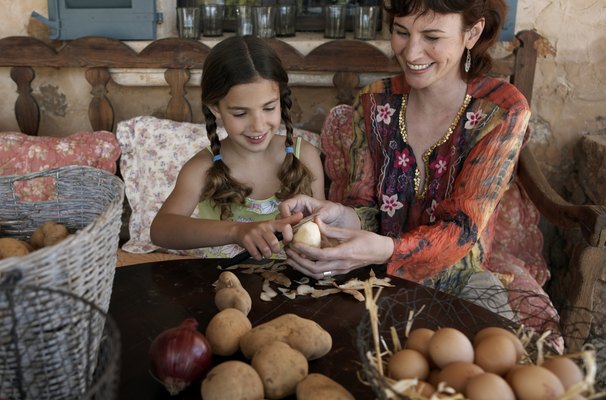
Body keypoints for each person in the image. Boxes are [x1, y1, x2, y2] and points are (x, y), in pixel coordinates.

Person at [279, 0, 529, 315]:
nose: (411, 53)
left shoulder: (501, 110)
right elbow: (367, 210)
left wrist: (387, 249)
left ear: (473, 32)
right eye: (401, 32)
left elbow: (463, 229)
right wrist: (340, 216)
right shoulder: (373, 102)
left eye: (432, 37)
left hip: (460, 281)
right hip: (372, 273)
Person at [150, 35, 325, 260]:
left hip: (290, 288)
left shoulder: (305, 156)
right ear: (215, 108)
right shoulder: (202, 168)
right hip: (223, 286)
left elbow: (320, 225)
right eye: (241, 113)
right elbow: (161, 229)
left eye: (269, 108)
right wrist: (236, 231)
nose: (258, 125)